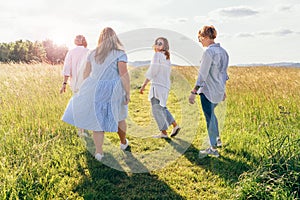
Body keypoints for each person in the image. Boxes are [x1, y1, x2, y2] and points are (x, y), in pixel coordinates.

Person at [62, 27, 130, 161]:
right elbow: (124, 74)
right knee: (120, 117)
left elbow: (86, 74)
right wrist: (127, 92)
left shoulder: (92, 53)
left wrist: (83, 88)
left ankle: (99, 153)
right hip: (113, 89)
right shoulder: (120, 53)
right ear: (114, 38)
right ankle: (123, 143)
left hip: (95, 88)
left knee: (97, 120)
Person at [189, 25, 229, 158]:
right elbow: (224, 74)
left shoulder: (208, 52)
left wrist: (194, 91)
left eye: (200, 38)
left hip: (207, 91)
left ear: (205, 36)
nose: (199, 41)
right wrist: (223, 90)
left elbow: (202, 74)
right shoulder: (223, 52)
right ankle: (217, 139)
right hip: (218, 90)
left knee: (209, 118)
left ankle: (213, 148)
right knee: (212, 115)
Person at [140, 37, 180, 138]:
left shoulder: (157, 55)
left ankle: (163, 133)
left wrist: (144, 84)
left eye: (160, 43)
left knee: (156, 109)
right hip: (165, 86)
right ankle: (175, 125)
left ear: (165, 46)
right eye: (156, 43)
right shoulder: (166, 57)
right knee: (162, 107)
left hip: (158, 86)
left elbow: (153, 71)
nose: (157, 45)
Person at [60, 35, 89, 136]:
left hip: (75, 84)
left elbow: (67, 69)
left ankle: (81, 130)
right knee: (85, 106)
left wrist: (64, 83)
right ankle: (82, 130)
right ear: (84, 41)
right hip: (87, 83)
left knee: (78, 105)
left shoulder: (71, 52)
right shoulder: (88, 52)